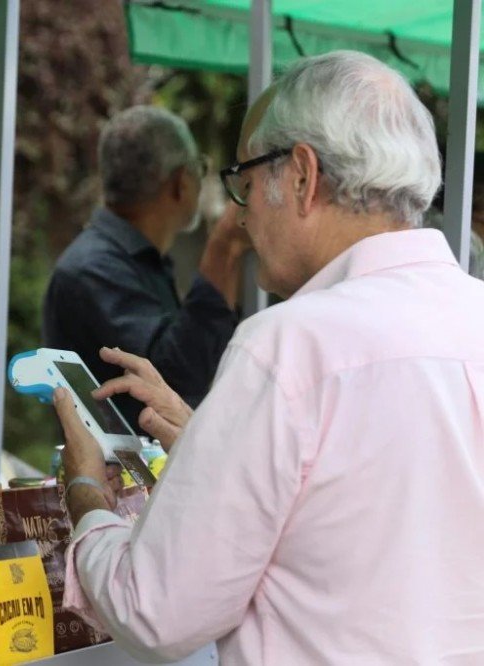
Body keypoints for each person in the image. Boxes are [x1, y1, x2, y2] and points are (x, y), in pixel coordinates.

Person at [54, 51, 484, 663]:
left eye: (247, 182)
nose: (243, 213)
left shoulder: (289, 345)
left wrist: (87, 493)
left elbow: (154, 609)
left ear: (303, 176)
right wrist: (211, 443)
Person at [42, 106, 249, 430]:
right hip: (119, 477)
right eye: (201, 168)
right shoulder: (93, 267)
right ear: (181, 182)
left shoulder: (124, 260)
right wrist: (224, 247)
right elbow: (174, 381)